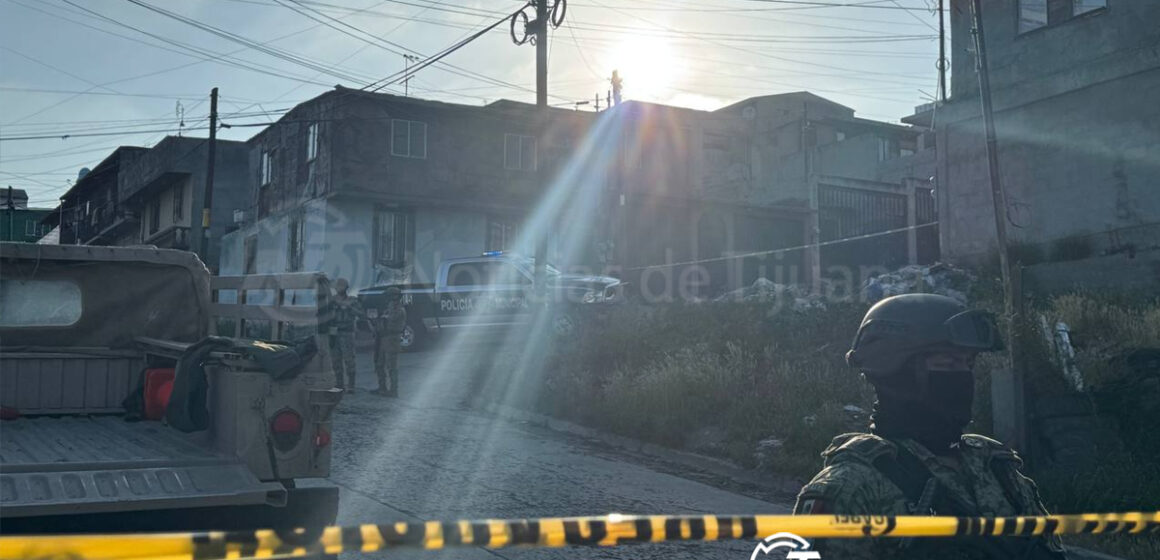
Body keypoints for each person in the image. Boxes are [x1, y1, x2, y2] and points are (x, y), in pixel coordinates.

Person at [793, 294, 1067, 560]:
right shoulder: (850, 488)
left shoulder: (995, 467)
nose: (963, 376)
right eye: (947, 362)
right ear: (897, 372)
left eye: (967, 363)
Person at [329, 278, 367, 392]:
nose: (338, 288)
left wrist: (350, 308)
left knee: (349, 359)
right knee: (335, 360)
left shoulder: (352, 301)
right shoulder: (332, 300)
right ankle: (339, 384)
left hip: (347, 332)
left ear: (346, 288)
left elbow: (362, 315)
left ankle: (351, 385)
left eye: (341, 286)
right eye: (337, 287)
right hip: (335, 332)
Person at [372, 286, 406, 397]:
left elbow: (390, 320)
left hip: (392, 339)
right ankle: (382, 388)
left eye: (389, 296)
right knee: (379, 364)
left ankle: (393, 390)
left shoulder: (399, 309)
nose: (387, 299)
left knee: (391, 366)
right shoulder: (389, 308)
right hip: (383, 338)